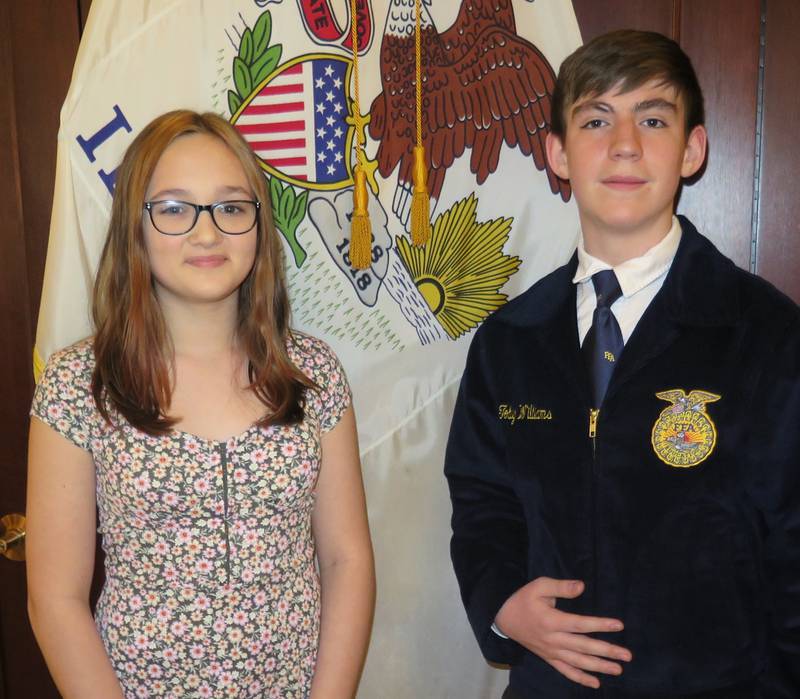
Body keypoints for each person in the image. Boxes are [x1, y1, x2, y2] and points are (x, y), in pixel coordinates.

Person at [445, 29, 800, 698]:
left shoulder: (768, 336)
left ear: (692, 149)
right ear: (557, 152)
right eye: (596, 119)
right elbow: (482, 503)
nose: (625, 144)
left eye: (654, 118)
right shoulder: (509, 341)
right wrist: (501, 604)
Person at [26, 110, 375, 699]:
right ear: (134, 226)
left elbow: (347, 561)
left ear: (259, 227)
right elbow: (55, 599)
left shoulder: (312, 374)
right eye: (174, 208)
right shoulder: (76, 387)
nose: (207, 233)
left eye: (231, 207)